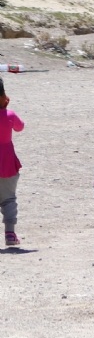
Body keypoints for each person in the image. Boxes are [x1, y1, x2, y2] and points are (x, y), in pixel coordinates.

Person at [0, 76, 23, 247]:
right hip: (7, 163)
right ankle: (9, 233)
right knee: (8, 198)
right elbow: (20, 126)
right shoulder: (9, 115)